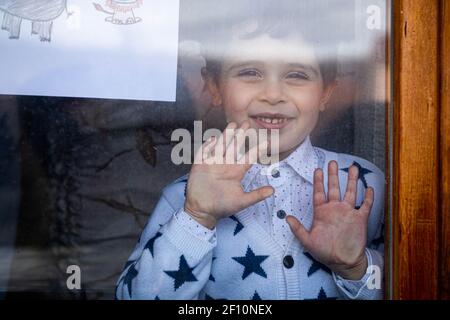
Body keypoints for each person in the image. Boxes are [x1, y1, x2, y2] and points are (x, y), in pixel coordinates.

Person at [116, 0, 385, 300]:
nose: (272, 94)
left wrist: (356, 269)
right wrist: (197, 217)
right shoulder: (184, 196)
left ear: (326, 92)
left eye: (296, 75)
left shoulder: (364, 185)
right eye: (250, 72)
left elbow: (418, 282)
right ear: (214, 87)